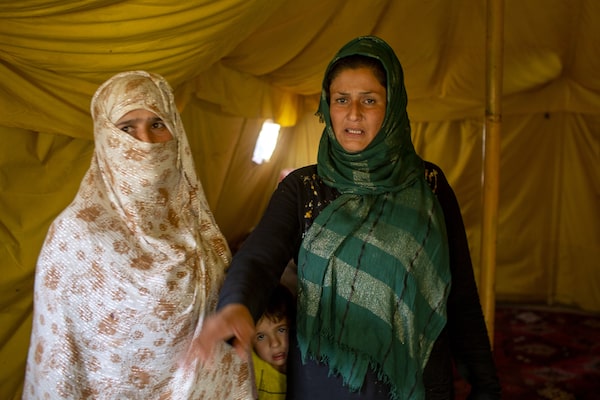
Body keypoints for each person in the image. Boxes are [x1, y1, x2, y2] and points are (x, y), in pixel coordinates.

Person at [193, 36, 502, 399]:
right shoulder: (303, 189)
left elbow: (459, 293)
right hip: (327, 383)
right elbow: (260, 258)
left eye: (369, 100)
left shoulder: (429, 186)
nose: (353, 113)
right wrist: (237, 304)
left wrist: (486, 386)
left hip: (416, 382)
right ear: (328, 106)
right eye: (342, 100)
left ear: (393, 106)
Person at [22, 71, 253, 399]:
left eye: (157, 124)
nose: (144, 140)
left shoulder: (196, 225)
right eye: (126, 128)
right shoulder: (75, 236)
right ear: (105, 138)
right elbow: (56, 365)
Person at [251, 284, 295, 400]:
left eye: (281, 330)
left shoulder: (307, 367)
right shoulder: (250, 368)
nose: (275, 343)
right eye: (261, 337)